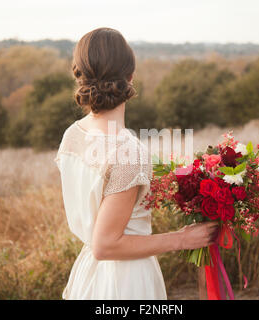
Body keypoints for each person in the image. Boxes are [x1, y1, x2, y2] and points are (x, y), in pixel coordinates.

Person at [55, 27, 217, 300]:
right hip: (125, 282)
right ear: (130, 77)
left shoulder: (72, 135)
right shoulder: (128, 151)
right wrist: (183, 239)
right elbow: (106, 245)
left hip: (89, 277)